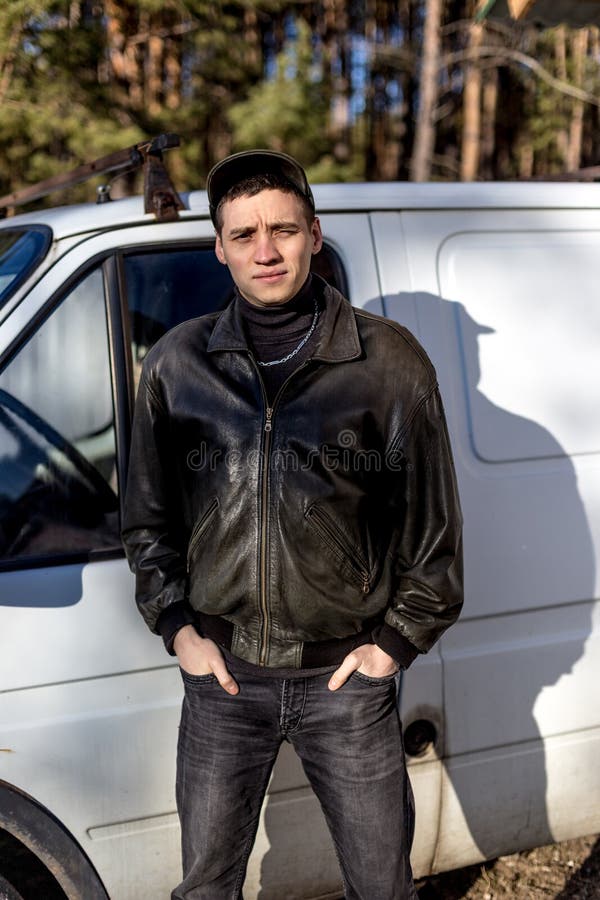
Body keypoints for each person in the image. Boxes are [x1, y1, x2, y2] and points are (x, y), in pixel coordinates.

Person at [121, 149, 463, 900]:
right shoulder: (179, 365)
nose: (265, 250)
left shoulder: (387, 362)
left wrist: (392, 647)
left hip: (347, 685)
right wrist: (178, 629)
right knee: (205, 888)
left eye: (281, 229)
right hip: (223, 678)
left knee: (382, 887)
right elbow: (146, 519)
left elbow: (433, 534)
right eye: (244, 234)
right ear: (220, 248)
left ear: (313, 233)